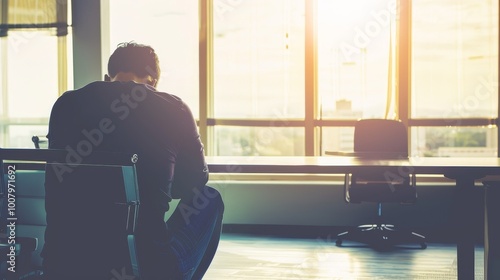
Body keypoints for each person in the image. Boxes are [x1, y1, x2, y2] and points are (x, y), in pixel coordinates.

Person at [42, 42, 224, 280]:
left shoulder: (65, 104)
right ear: (154, 81)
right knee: (210, 198)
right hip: (143, 265)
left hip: (63, 264)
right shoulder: (174, 108)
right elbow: (197, 181)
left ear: (108, 77)